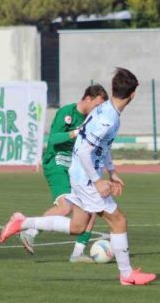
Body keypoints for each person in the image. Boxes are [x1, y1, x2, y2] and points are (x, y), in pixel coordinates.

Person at [0, 68, 156, 286]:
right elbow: (84, 150)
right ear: (133, 94)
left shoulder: (104, 110)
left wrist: (112, 172)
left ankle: (22, 223)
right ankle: (127, 274)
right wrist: (98, 180)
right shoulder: (108, 119)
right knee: (119, 221)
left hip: (78, 174)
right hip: (86, 177)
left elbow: (100, 146)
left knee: (78, 227)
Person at [19, 84, 109, 263]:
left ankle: (77, 253)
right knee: (65, 207)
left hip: (76, 167)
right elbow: (53, 138)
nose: (98, 110)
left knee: (94, 206)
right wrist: (76, 132)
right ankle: (29, 231)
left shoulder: (93, 119)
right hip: (56, 162)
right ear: (88, 99)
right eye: (97, 105)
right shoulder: (66, 112)